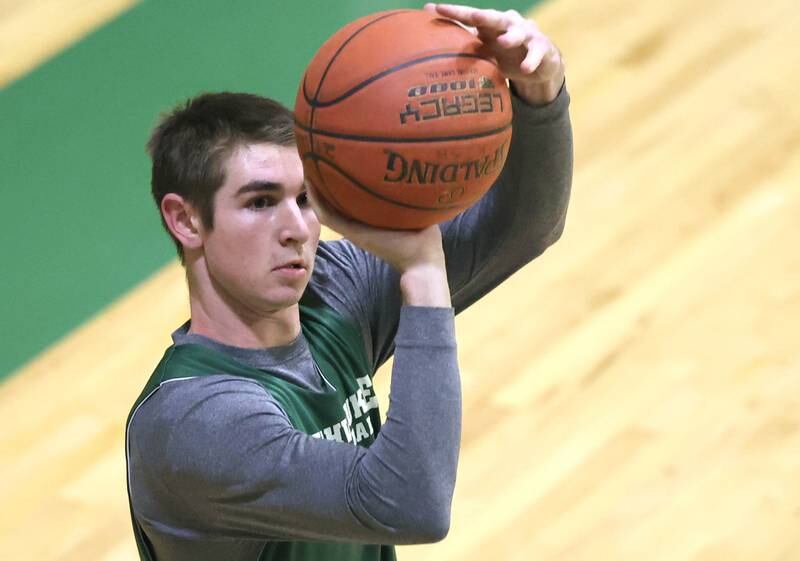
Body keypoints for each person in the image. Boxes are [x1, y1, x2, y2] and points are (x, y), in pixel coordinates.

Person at [125, 4, 572, 561]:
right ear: (186, 219)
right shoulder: (197, 421)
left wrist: (540, 93)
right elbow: (414, 503)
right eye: (261, 202)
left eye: (306, 198)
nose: (297, 229)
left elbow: (525, 226)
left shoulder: (334, 292)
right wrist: (424, 274)